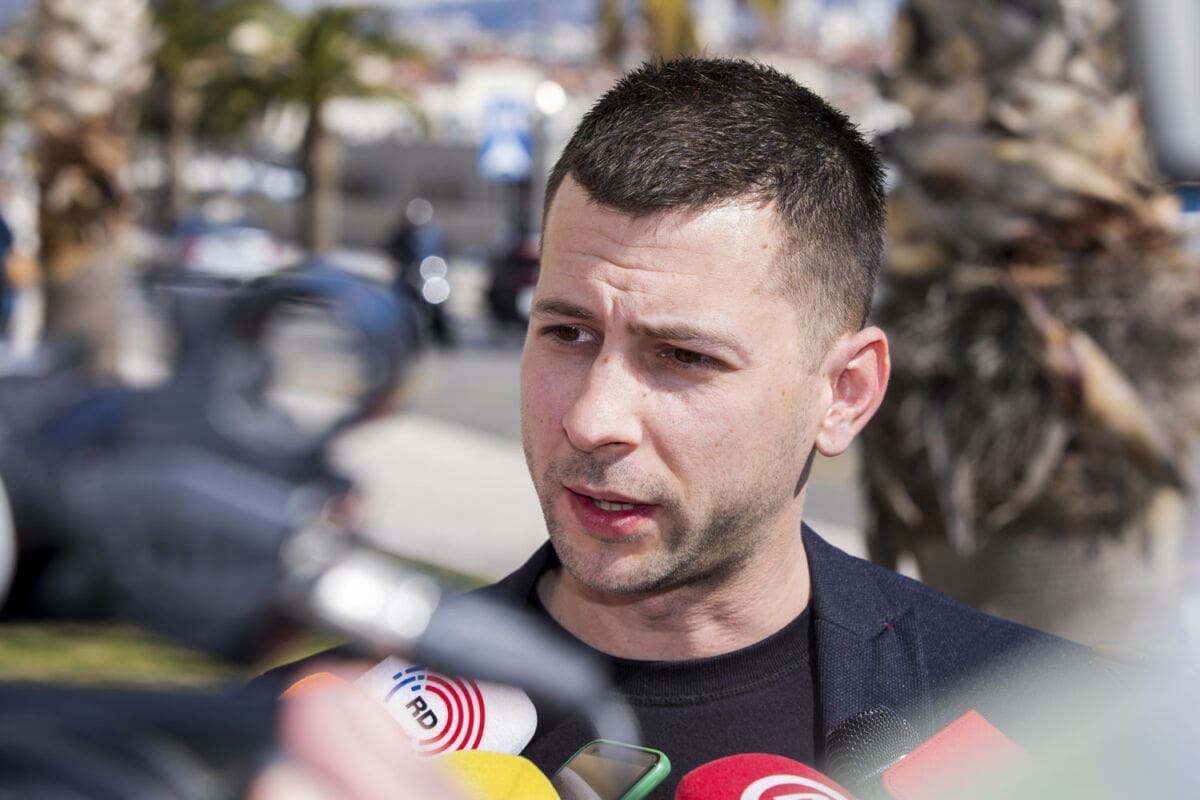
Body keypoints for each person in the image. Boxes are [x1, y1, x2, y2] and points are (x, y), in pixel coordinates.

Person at [271, 57, 1094, 796]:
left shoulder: (1069, 728)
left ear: (844, 394)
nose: (592, 420)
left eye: (682, 357)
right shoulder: (311, 747)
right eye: (567, 333)